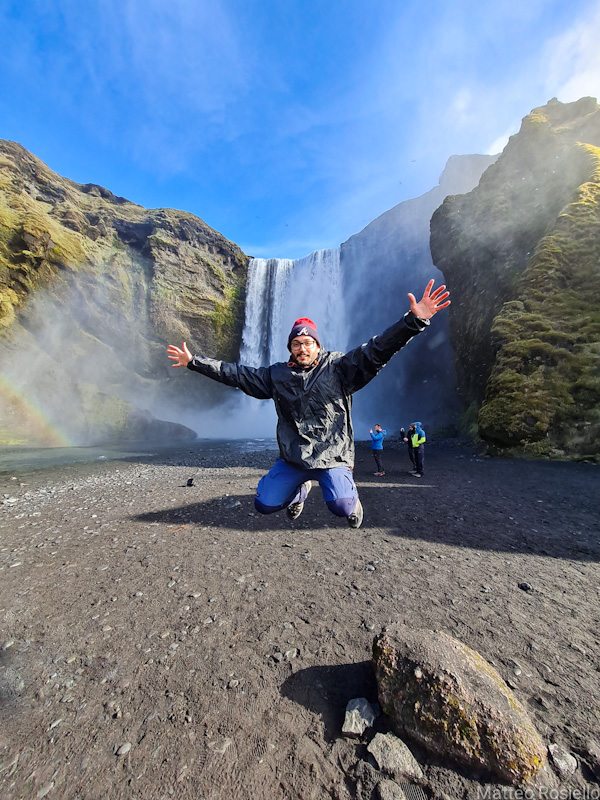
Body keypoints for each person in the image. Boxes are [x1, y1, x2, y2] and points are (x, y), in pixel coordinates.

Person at [166, 280, 450, 529]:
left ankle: (351, 498)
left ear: (317, 345)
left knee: (342, 507)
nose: (302, 347)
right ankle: (300, 489)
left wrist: (413, 322)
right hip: (294, 458)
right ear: (291, 348)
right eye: (296, 343)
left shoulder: (339, 367)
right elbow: (238, 374)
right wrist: (194, 362)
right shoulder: (276, 375)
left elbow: (377, 350)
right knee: (264, 505)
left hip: (332, 457)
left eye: (308, 342)